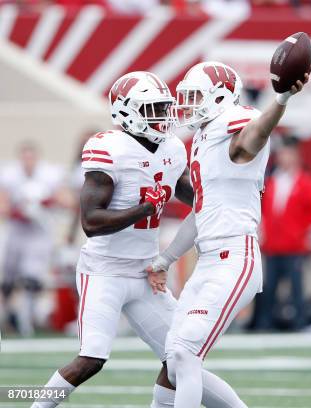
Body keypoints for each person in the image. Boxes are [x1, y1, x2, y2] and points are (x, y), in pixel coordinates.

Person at [146, 61, 309, 407]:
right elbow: (200, 213)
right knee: (175, 363)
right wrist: (165, 259)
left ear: (220, 98)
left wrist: (280, 100)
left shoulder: (235, 127)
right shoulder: (205, 138)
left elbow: (256, 134)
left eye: (195, 97)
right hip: (209, 260)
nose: (186, 105)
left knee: (187, 353)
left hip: (236, 257)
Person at [32, 71, 196, 407]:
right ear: (126, 112)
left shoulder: (173, 147)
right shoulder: (108, 147)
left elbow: (185, 191)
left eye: (164, 108)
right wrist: (144, 209)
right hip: (104, 270)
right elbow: (91, 222)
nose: (162, 117)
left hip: (146, 270)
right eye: (152, 109)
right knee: (91, 359)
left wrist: (221, 200)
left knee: (179, 356)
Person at [256, 135, 311, 331]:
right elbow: (263, 210)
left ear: (296, 155)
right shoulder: (271, 181)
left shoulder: (305, 182)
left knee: (296, 290)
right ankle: (264, 324)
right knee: (268, 289)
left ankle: (299, 325)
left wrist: (299, 231)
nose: (284, 157)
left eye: (288, 153)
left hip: (294, 247)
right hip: (272, 246)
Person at [0, 142, 66, 336]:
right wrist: (17, 212)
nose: (28, 162)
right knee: (8, 279)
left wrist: (47, 202)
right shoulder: (9, 174)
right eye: (25, 158)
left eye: (31, 157)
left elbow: (65, 199)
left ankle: (26, 321)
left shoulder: (49, 174)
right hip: (16, 230)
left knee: (31, 277)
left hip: (39, 231)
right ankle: (6, 318)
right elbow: (3, 204)